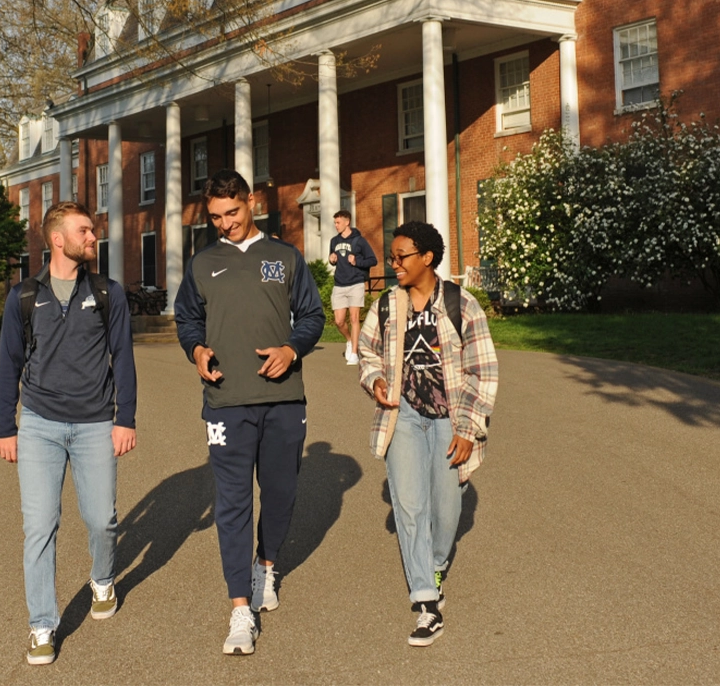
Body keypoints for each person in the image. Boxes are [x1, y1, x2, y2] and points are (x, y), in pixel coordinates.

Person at [174, 169, 325, 656]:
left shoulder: (284, 257)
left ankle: (266, 567)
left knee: (279, 494)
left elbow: (312, 316)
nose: (225, 224)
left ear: (252, 202)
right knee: (234, 503)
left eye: (232, 213)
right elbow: (187, 320)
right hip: (226, 403)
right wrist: (196, 349)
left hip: (283, 400)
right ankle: (240, 608)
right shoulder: (202, 263)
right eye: (216, 217)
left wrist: (292, 348)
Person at [0, 201, 137, 666]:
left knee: (101, 519)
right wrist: (6, 427)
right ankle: (41, 624)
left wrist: (125, 418)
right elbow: (8, 364)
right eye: (84, 231)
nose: (92, 237)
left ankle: (102, 578)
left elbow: (123, 358)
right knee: (39, 526)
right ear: (58, 239)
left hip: (96, 422)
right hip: (38, 425)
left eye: (92, 230)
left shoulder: (109, 292)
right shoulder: (23, 296)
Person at [357, 220, 497, 647]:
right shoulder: (386, 307)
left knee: (447, 506)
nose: (393, 264)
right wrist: (375, 380)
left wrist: (470, 429)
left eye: (401, 257)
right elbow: (367, 352)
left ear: (427, 258)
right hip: (403, 418)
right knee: (411, 506)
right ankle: (425, 600)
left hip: (449, 419)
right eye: (392, 257)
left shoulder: (461, 304)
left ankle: (436, 562)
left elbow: (483, 370)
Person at [327, 209, 378, 365]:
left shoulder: (360, 241)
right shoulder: (334, 241)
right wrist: (331, 259)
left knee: (354, 318)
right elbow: (332, 258)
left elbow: (373, 260)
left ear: (347, 222)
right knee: (339, 321)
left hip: (356, 283)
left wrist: (357, 262)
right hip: (339, 284)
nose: (336, 225)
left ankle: (355, 353)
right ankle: (349, 340)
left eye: (338, 222)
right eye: (335, 222)